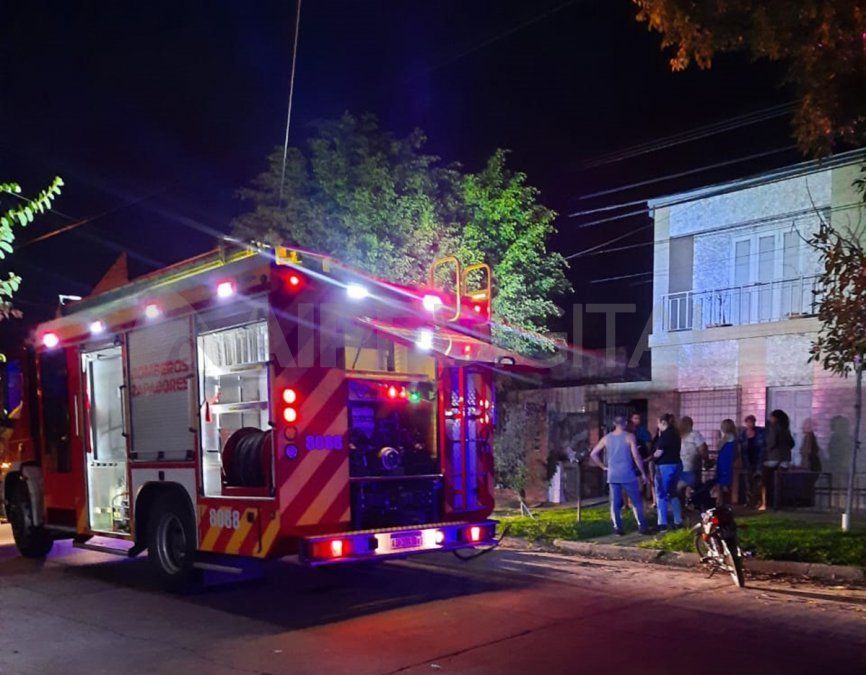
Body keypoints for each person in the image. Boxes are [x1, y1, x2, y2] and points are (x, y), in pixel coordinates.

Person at [590, 415, 649, 536]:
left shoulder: (606, 438)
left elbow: (593, 453)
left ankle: (617, 528)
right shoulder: (629, 436)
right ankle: (642, 526)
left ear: (614, 424)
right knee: (636, 501)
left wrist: (603, 466)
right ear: (625, 423)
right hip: (628, 474)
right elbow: (636, 456)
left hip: (613, 475)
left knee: (614, 503)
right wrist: (643, 473)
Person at [652, 413, 682, 531]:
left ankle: (662, 523)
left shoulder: (666, 435)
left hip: (664, 466)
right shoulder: (676, 434)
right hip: (676, 465)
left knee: (661, 494)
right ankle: (678, 521)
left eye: (658, 423)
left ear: (663, 422)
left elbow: (659, 452)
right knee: (673, 493)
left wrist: (650, 459)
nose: (657, 425)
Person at [762, 409, 795, 510]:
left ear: (775, 418)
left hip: (773, 458)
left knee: (768, 482)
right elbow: (792, 443)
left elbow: (771, 442)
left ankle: (769, 504)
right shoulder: (785, 429)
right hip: (785, 459)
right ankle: (780, 504)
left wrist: (766, 450)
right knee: (780, 483)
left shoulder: (773, 427)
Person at [627, 412, 653, 502]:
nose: (637, 420)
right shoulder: (627, 432)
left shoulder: (643, 431)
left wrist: (647, 456)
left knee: (641, 481)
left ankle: (644, 498)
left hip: (641, 459)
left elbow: (648, 445)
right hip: (630, 461)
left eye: (638, 418)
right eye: (635, 418)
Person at [679, 416, 707, 491]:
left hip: (679, 468)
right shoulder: (694, 435)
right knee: (695, 487)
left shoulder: (677, 436)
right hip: (692, 467)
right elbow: (702, 449)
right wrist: (706, 459)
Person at [715, 419, 738, 506]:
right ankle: (726, 502)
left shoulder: (727, 436)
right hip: (729, 460)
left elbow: (719, 446)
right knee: (727, 481)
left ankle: (720, 502)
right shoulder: (734, 437)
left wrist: (718, 438)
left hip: (724, 460)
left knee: (721, 481)